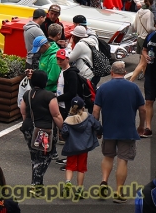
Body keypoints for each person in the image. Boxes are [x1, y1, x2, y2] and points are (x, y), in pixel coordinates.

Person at [92, 61, 146, 202]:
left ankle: (104, 181)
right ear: (124, 73)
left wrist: (97, 128)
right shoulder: (133, 87)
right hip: (127, 130)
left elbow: (96, 110)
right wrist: (141, 126)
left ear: (111, 72)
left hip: (109, 129)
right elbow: (143, 109)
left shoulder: (103, 88)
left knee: (108, 157)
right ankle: (118, 192)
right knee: (123, 160)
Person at [19, 69, 63, 186]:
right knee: (45, 157)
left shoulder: (27, 94)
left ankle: (37, 182)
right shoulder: (49, 96)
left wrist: (28, 123)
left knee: (34, 156)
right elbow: (56, 115)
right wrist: (63, 128)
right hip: (45, 131)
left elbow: (23, 111)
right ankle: (36, 183)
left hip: (29, 128)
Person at [60, 96, 101, 192]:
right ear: (83, 107)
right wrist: (98, 133)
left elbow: (64, 133)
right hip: (84, 147)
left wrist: (65, 138)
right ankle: (79, 189)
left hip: (71, 147)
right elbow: (97, 125)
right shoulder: (88, 117)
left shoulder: (68, 120)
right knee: (81, 168)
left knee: (69, 166)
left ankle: (68, 182)